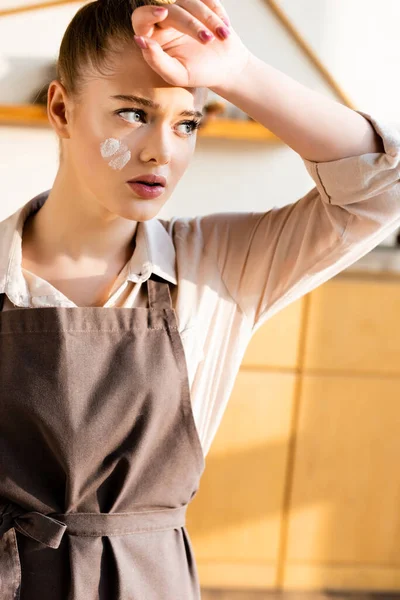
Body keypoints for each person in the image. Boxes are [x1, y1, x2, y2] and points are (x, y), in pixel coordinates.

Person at [0, 0, 399, 598]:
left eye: (188, 122)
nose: (162, 150)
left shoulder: (220, 265)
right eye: (133, 113)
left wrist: (239, 72)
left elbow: (379, 190)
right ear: (61, 107)